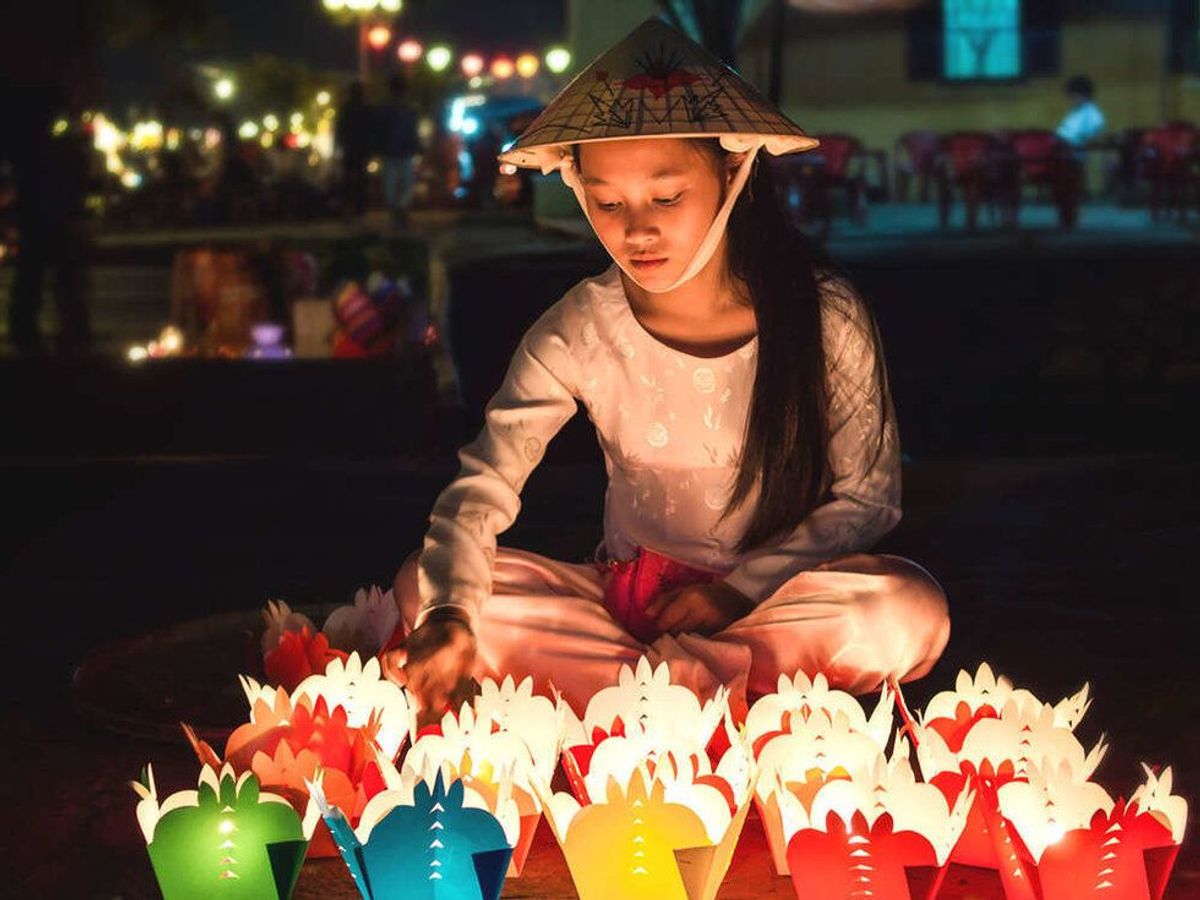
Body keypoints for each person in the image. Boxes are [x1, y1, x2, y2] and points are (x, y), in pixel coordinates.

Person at [382, 19, 949, 722]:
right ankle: (716, 700)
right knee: (430, 587)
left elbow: (869, 499)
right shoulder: (579, 328)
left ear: (732, 174)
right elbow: (483, 486)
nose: (636, 229)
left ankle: (646, 699)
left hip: (770, 609)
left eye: (666, 196)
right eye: (608, 203)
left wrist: (738, 591)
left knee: (907, 609)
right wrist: (450, 616)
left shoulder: (823, 313)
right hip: (627, 611)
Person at [378, 73, 420, 227]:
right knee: (404, 185)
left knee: (391, 186)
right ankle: (400, 212)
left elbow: (379, 131)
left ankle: (398, 213)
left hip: (391, 152)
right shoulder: (408, 110)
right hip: (402, 152)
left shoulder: (385, 109)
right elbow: (412, 131)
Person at [335, 81, 373, 217]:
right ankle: (359, 206)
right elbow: (371, 130)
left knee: (348, 177)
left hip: (349, 148)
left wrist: (338, 146)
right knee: (361, 177)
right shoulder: (366, 108)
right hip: (361, 149)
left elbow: (339, 129)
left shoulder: (346, 109)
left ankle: (348, 205)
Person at [1055, 75, 1106, 149]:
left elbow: (1094, 138)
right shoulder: (1074, 111)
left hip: (1074, 152)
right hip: (1062, 148)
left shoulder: (1093, 114)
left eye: (1072, 96)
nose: (1069, 99)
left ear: (1082, 95)